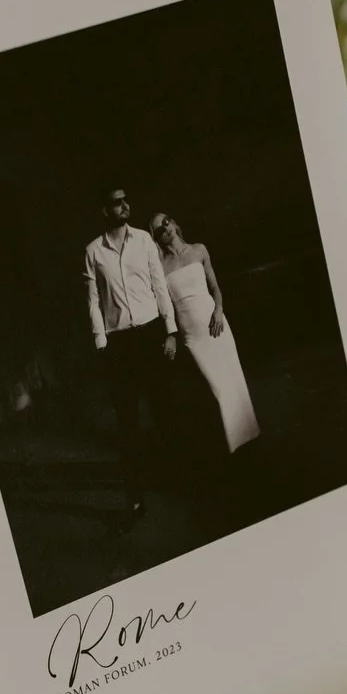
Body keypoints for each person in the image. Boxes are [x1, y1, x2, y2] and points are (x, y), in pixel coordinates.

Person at [83, 185, 178, 524]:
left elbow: (159, 286)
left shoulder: (144, 240)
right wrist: (102, 344)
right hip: (119, 344)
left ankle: (176, 481)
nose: (124, 206)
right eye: (116, 202)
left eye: (126, 201)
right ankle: (135, 500)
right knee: (127, 424)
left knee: (164, 411)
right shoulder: (93, 251)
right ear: (105, 210)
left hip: (151, 335)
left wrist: (170, 331)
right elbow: (93, 301)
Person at [151, 213, 259, 453]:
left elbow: (215, 288)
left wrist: (219, 310)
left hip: (216, 324)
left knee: (233, 380)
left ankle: (248, 440)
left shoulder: (199, 250)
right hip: (191, 333)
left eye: (166, 222)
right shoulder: (160, 267)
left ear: (174, 223)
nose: (165, 229)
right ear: (156, 238)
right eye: (159, 230)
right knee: (217, 388)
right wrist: (171, 335)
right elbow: (165, 307)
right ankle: (227, 446)